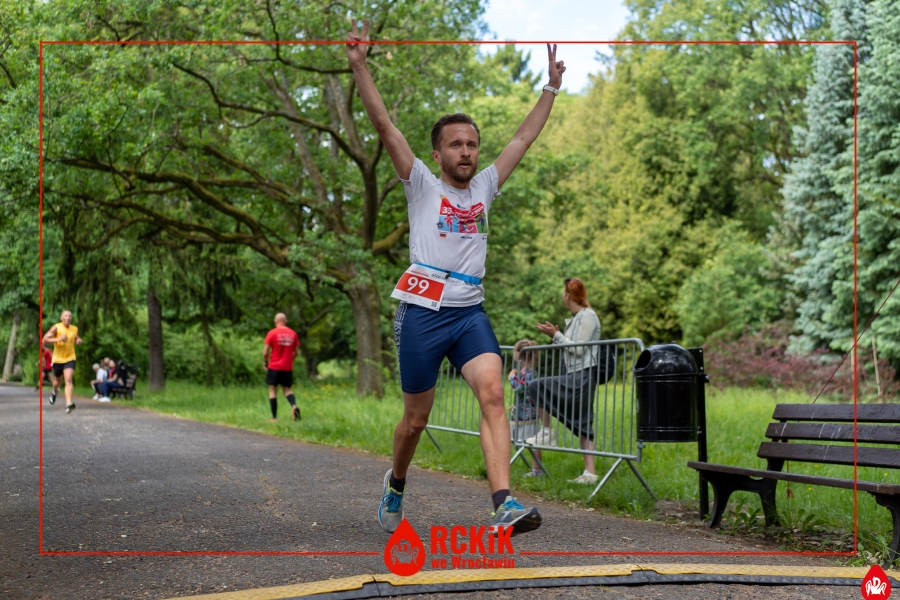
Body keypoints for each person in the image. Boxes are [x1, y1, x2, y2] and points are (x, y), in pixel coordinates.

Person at [347, 18, 566, 536]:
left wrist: (551, 88)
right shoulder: (422, 185)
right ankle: (396, 482)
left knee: (493, 394)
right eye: (455, 144)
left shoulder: (486, 186)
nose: (466, 151)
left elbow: (523, 137)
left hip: (469, 312)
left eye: (471, 144)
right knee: (416, 421)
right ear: (438, 153)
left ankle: (504, 504)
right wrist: (358, 66)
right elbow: (385, 126)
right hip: (423, 311)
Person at [529, 278, 605, 485]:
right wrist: (556, 335)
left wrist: (556, 335)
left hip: (583, 375)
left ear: (568, 295)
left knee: (538, 387)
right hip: (575, 375)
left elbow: (578, 349)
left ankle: (548, 433)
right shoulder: (575, 318)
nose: (562, 296)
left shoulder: (588, 316)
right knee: (582, 421)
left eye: (563, 292)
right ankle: (589, 473)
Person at [508, 339, 542, 477]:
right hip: (523, 411)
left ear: (519, 353)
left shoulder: (529, 371)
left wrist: (511, 377)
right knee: (522, 440)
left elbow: (521, 388)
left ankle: (537, 471)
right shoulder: (524, 370)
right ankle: (535, 470)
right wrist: (517, 404)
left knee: (533, 442)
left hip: (529, 414)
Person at [263, 313, 301, 422]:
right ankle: (294, 406)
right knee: (287, 390)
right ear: (286, 321)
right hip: (287, 368)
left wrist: (266, 362)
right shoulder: (293, 333)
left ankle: (274, 418)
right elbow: (296, 352)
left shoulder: (272, 333)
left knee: (272, 391)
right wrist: (290, 360)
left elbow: (265, 352)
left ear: (275, 322)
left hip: (274, 366)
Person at [43, 310, 82, 414]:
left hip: (70, 357)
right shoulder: (56, 327)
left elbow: (76, 337)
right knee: (57, 381)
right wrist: (58, 339)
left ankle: (68, 404)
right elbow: (45, 339)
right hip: (58, 359)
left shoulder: (74, 328)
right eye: (66, 316)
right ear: (61, 318)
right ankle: (54, 392)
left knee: (68, 379)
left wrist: (78, 340)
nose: (68, 317)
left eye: (70, 316)